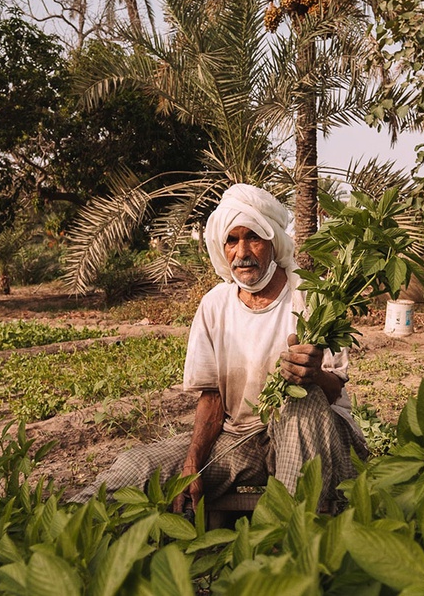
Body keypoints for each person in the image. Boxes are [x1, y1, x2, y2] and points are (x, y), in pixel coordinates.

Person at [69, 184, 368, 510]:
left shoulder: (312, 294)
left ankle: (290, 542)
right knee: (138, 468)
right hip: (243, 438)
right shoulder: (215, 305)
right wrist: (192, 462)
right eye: (232, 240)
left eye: (253, 237)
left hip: (318, 433)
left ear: (272, 242)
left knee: (301, 400)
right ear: (221, 247)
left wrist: (313, 375)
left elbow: (334, 389)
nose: (242, 252)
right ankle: (62, 524)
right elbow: (212, 398)